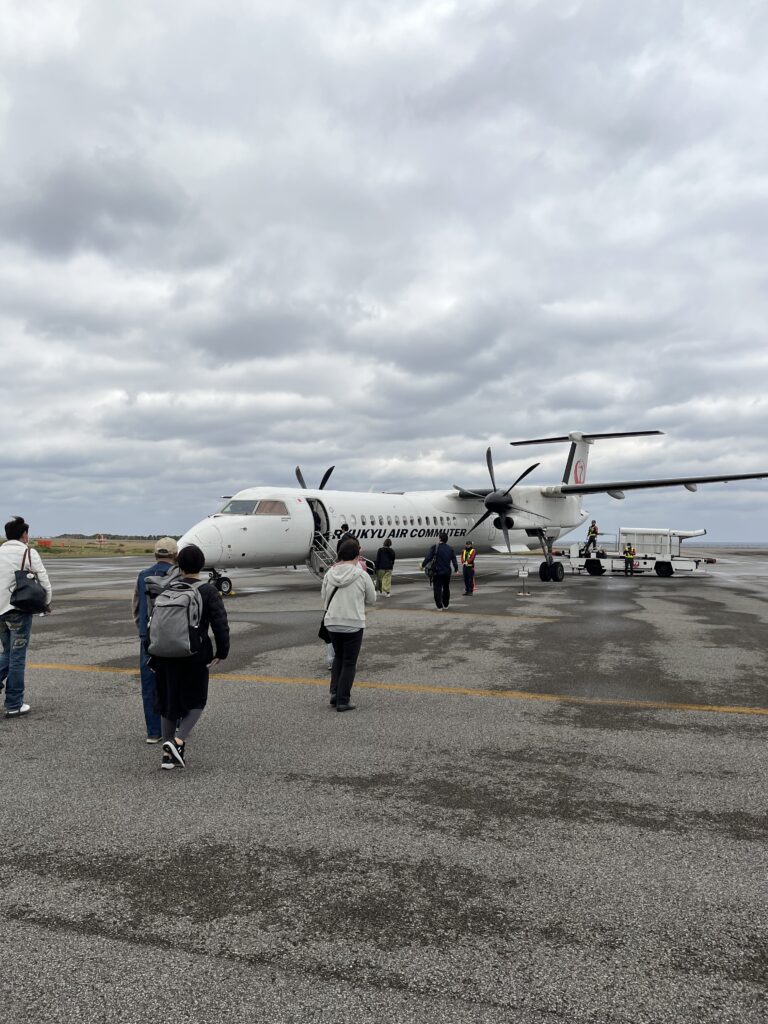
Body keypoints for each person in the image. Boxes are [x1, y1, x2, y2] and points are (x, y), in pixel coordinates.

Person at [150, 543, 230, 770]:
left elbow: (154, 623)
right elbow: (220, 624)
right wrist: (222, 651)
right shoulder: (207, 591)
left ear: (179, 564)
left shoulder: (167, 587)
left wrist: (152, 652)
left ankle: (168, 754)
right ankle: (177, 740)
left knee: (168, 703)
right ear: (201, 565)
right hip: (194, 654)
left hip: (164, 653)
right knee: (197, 700)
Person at [0, 516, 52, 718]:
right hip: (18, 611)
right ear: (23, 534)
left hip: (0, 613)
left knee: (8, 653)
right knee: (17, 658)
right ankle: (14, 703)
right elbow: (44, 581)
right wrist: (45, 605)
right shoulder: (29, 553)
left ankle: (14, 701)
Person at [132, 537, 179, 743]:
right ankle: (174, 724)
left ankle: (153, 731)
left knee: (149, 683)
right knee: (175, 681)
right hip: (175, 637)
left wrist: (143, 629)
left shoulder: (143, 576)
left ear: (155, 555)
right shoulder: (179, 576)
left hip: (149, 637)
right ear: (175, 556)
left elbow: (136, 607)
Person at [321, 536, 376, 712]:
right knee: (349, 662)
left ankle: (335, 693)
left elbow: (323, 596)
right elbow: (372, 599)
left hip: (332, 622)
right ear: (356, 555)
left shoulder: (329, 574)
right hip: (353, 623)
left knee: (338, 656)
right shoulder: (361, 574)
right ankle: (343, 700)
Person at [422, 532, 459, 610]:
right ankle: (446, 604)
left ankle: (439, 606)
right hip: (447, 572)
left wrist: (423, 565)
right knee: (446, 588)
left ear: (439, 539)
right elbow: (454, 560)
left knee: (437, 589)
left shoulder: (435, 547)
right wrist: (456, 569)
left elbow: (428, 558)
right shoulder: (450, 548)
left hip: (437, 572)